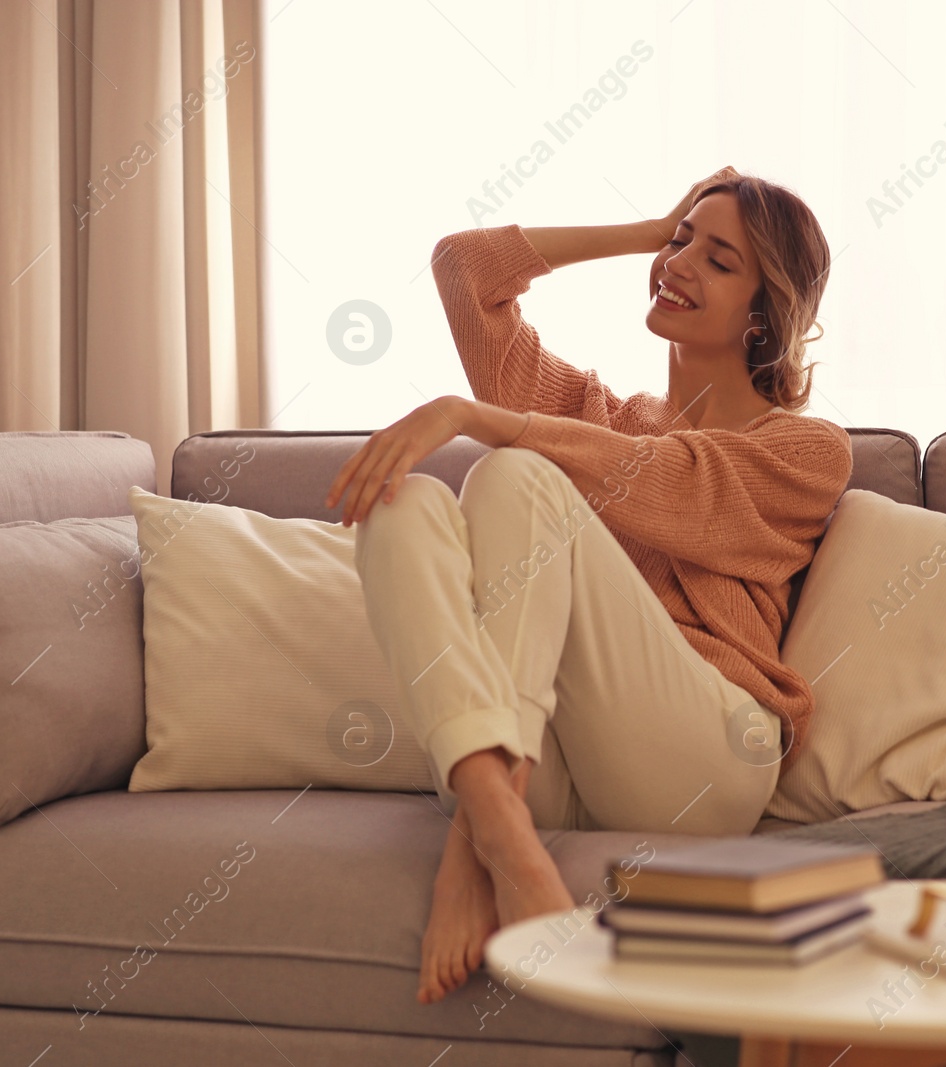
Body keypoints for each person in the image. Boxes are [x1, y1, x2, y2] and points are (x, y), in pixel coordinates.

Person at [323, 167, 854, 1004]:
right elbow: (464, 267)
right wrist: (649, 229)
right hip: (563, 765)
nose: (681, 263)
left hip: (707, 760)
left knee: (516, 472)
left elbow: (664, 479)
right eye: (684, 241)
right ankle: (494, 816)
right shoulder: (597, 412)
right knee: (403, 500)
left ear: (763, 313)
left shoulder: (807, 451)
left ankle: (471, 854)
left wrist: (466, 413)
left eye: (719, 260)